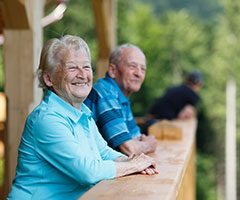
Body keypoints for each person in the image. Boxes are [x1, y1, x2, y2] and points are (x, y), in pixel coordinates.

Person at [7, 35, 159, 200]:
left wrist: (136, 162)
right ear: (48, 78)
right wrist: (132, 164)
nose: (82, 75)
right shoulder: (46, 119)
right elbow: (88, 171)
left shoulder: (83, 112)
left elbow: (103, 152)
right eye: (72, 68)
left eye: (86, 67)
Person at [84, 44, 157, 156]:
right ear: (113, 70)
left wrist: (139, 145)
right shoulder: (105, 93)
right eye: (132, 66)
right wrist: (149, 144)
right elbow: (129, 149)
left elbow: (136, 137)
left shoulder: (121, 97)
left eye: (143, 69)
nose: (139, 73)